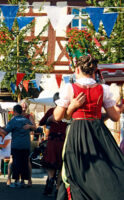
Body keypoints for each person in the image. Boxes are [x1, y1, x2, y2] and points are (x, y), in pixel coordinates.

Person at [53, 55, 124, 200]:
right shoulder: (103, 89)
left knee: (77, 170)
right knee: (105, 167)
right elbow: (115, 117)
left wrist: (72, 106)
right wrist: (115, 109)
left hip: (77, 132)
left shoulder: (70, 88)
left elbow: (57, 117)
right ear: (94, 71)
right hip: (98, 132)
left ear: (77, 69)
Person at [0, 104, 34, 188]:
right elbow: (34, 128)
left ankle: (16, 180)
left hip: (16, 145)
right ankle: (23, 181)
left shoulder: (13, 121)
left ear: (14, 112)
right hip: (26, 145)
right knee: (25, 162)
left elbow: (5, 132)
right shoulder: (26, 120)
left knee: (16, 162)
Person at [39, 92, 68, 196]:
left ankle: (51, 179)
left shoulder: (52, 111)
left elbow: (41, 122)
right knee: (61, 165)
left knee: (51, 163)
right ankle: (58, 189)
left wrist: (49, 120)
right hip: (63, 141)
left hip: (52, 140)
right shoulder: (68, 111)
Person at [20, 100, 36, 187]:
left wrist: (29, 126)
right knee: (19, 161)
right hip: (17, 140)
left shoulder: (29, 116)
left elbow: (35, 127)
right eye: (22, 106)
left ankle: (29, 179)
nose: (24, 107)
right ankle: (21, 179)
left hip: (25, 140)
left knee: (27, 160)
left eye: (25, 106)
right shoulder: (16, 115)